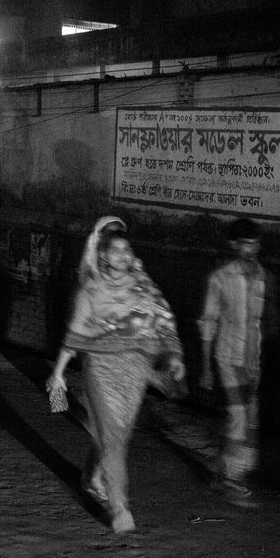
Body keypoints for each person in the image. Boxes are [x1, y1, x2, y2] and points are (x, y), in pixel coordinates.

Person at [46, 216, 186, 533]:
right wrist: (58, 373)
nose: (122, 254)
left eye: (127, 248)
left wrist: (175, 355)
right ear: (103, 253)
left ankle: (91, 475)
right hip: (100, 367)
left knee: (118, 437)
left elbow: (163, 318)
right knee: (111, 437)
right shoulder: (90, 287)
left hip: (135, 370)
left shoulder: (143, 285)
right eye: (115, 248)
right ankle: (119, 506)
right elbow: (76, 333)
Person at [197, 216, 271, 507]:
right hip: (228, 357)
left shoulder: (260, 276)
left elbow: (256, 323)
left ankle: (226, 472)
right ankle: (231, 480)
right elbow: (208, 323)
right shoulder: (222, 278)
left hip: (252, 359)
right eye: (246, 244)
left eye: (255, 244)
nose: (251, 249)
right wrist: (205, 368)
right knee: (239, 418)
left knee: (249, 419)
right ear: (234, 244)